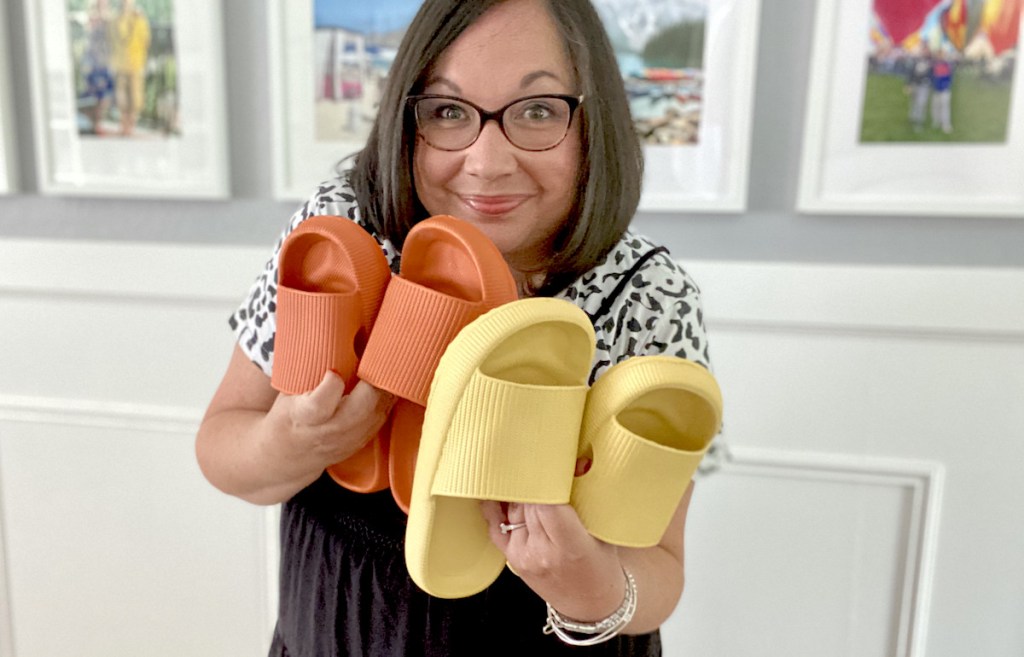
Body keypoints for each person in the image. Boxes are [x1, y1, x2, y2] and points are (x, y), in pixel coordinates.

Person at [195, 1, 724, 654]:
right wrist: (292, 441)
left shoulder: (648, 294)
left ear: (594, 122)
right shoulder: (345, 228)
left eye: (537, 111)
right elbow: (221, 446)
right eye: (448, 111)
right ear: (408, 119)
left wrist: (595, 590)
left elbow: (662, 565)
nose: (486, 161)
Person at [110, 0, 150, 136]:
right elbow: (113, 40)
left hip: (135, 64)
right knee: (122, 97)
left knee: (135, 96)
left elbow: (145, 41)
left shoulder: (140, 20)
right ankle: (123, 126)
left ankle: (130, 127)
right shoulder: (115, 20)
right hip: (121, 64)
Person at [83, 0, 114, 135]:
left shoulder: (110, 20)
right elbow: (89, 40)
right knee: (94, 95)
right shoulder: (92, 18)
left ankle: (98, 123)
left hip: (105, 62)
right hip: (93, 62)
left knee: (105, 95)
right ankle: (95, 125)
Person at [904, 46, 932, 133]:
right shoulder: (915, 60)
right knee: (914, 102)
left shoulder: (932, 62)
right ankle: (912, 117)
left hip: (924, 86)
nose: (924, 52)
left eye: (926, 50)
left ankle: (919, 122)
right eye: (923, 50)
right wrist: (908, 84)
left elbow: (933, 74)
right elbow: (910, 72)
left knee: (921, 103)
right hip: (914, 84)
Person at [930, 48, 955, 134]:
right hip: (936, 88)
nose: (940, 56)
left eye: (942, 54)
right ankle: (936, 121)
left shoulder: (947, 65)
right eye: (939, 54)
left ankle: (946, 124)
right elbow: (932, 76)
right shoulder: (934, 64)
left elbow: (950, 77)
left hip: (945, 89)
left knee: (945, 107)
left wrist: (946, 85)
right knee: (935, 106)